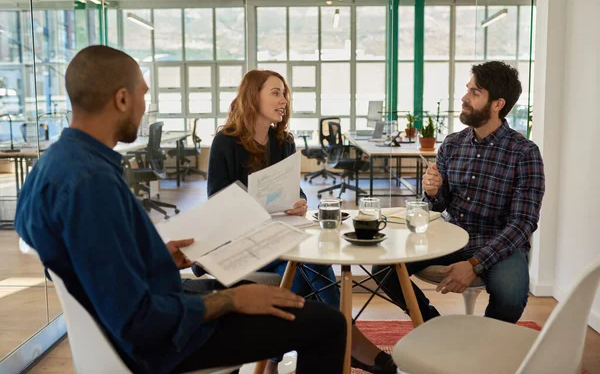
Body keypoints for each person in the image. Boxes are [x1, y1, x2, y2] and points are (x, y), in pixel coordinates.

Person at [14, 45, 347, 374]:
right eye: (144, 95)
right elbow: (138, 319)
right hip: (167, 340)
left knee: (286, 293)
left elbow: (96, 260)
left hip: (155, 306)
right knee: (328, 325)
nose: (146, 107)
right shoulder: (91, 183)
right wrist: (233, 301)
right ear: (122, 99)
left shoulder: (57, 164)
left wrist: (150, 255)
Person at [207, 69, 396, 374]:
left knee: (312, 263)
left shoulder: (282, 140)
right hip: (243, 242)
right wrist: (254, 205)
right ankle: (348, 342)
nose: (284, 100)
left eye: (285, 93)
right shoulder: (225, 142)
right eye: (275, 93)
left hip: (280, 233)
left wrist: (300, 201)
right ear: (253, 96)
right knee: (301, 273)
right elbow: (216, 202)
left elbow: (292, 189)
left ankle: (310, 348)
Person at [373, 61, 545, 324]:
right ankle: (433, 324)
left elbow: (523, 223)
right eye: (467, 89)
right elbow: (436, 208)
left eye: (475, 93)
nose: (464, 98)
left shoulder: (524, 152)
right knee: (382, 269)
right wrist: (431, 193)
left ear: (498, 104)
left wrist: (475, 263)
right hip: (452, 235)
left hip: (499, 242)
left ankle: (486, 342)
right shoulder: (452, 144)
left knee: (511, 294)